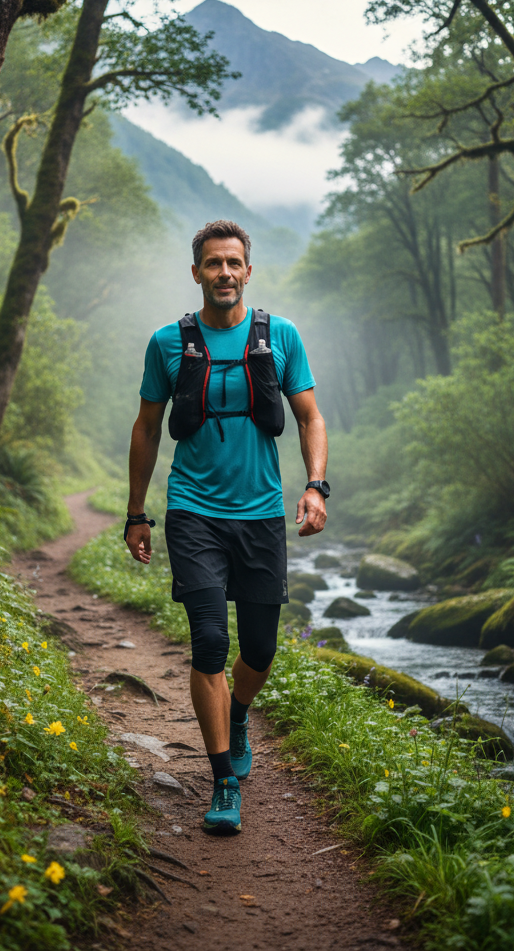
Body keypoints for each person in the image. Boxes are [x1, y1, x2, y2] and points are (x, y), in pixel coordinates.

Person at [125, 219, 329, 836]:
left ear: (248, 270)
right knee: (211, 642)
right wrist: (137, 512)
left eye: (233, 263)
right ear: (196, 273)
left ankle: (237, 712)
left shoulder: (281, 336)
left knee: (260, 650)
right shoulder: (167, 342)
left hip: (263, 512)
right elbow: (146, 429)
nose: (224, 274)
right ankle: (223, 782)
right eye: (212, 264)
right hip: (193, 512)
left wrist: (316, 485)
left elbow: (311, 419)